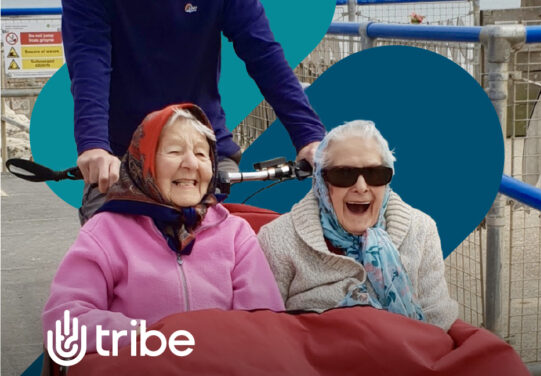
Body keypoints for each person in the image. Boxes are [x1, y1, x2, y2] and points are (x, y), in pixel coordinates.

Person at [42, 104, 285, 352]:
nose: (191, 163)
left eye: (202, 154)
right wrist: (150, 337)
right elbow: (64, 325)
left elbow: (264, 319)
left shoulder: (235, 233)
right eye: (174, 151)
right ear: (143, 162)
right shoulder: (105, 233)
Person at [61, 0, 326, 223]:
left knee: (227, 252)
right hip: (124, 157)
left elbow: (262, 52)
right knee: (106, 250)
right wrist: (93, 145)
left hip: (201, 151)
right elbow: (89, 59)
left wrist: (309, 136)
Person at [258, 120, 458, 330]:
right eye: (344, 174)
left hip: (408, 356)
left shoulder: (421, 229)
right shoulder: (277, 238)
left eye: (375, 174)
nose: (361, 187)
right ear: (322, 183)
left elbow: (437, 318)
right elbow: (268, 332)